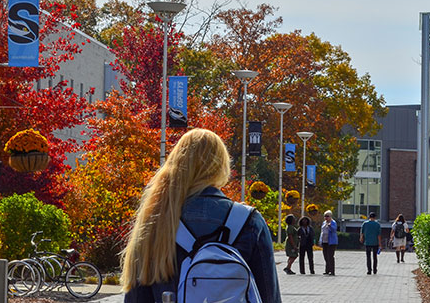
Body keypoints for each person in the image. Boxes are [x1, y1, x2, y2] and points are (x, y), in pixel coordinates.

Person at [121, 128, 281, 303]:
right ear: (221, 166)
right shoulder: (249, 221)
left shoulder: (157, 220)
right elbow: (269, 296)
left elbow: (137, 297)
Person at [318, 210, 339, 276]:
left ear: (330, 216)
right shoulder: (324, 223)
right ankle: (327, 270)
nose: (326, 218)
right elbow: (322, 232)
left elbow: (334, 230)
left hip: (331, 242)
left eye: (327, 216)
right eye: (325, 216)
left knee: (330, 256)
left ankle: (332, 271)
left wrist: (330, 226)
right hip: (324, 241)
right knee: (325, 256)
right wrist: (320, 240)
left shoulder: (333, 222)